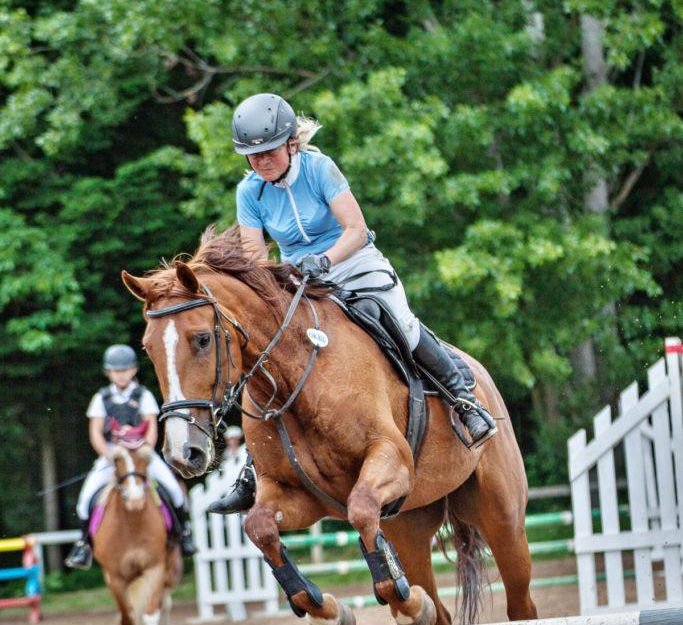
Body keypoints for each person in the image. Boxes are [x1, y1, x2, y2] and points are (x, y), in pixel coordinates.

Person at [209, 93, 496, 516]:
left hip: (352, 262)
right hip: (298, 280)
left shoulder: (319, 169)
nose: (262, 162)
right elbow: (255, 259)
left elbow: (356, 230)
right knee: (271, 353)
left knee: (397, 320)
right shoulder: (249, 192)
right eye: (253, 156)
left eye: (269, 151)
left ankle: (463, 398)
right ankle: (256, 466)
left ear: (291, 143)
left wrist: (325, 260)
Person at [65, 345, 196, 569]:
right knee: (85, 499)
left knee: (174, 490)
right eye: (116, 371)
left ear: (134, 370)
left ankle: (184, 535)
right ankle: (83, 545)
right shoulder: (101, 398)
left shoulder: (143, 395)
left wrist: (146, 450)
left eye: (125, 370)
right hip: (113, 455)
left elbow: (152, 427)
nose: (121, 375)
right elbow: (95, 432)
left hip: (142, 454)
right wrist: (109, 455)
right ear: (108, 372)